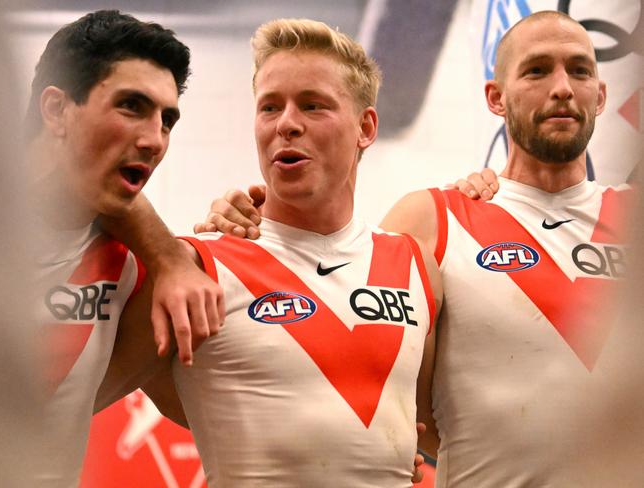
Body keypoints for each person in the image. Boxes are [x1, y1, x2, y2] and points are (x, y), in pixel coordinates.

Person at [202, 11, 640, 487]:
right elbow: (386, 388)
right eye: (536, 70)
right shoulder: (433, 220)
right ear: (494, 97)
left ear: (600, 95)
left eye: (579, 70)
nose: (562, 87)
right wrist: (239, 225)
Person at [97, 18, 441, 487]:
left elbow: (443, 429)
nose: (286, 124)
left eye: (313, 105)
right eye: (269, 107)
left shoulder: (415, 265)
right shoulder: (197, 268)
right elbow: (66, 403)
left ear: (365, 127)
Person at [28, 10, 223, 487]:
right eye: (131, 106)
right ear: (56, 110)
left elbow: (216, 413)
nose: (155, 139)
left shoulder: (137, 274)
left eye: (167, 119)